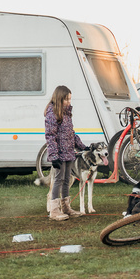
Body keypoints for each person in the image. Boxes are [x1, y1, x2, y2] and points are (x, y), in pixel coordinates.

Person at [44, 85, 87, 221]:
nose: (69, 102)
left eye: (70, 99)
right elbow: (50, 136)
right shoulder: (52, 114)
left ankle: (66, 207)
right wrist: (54, 156)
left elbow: (71, 134)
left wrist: (82, 146)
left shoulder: (67, 114)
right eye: (66, 99)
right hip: (59, 154)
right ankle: (54, 210)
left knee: (67, 179)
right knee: (58, 179)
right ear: (59, 98)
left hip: (69, 153)